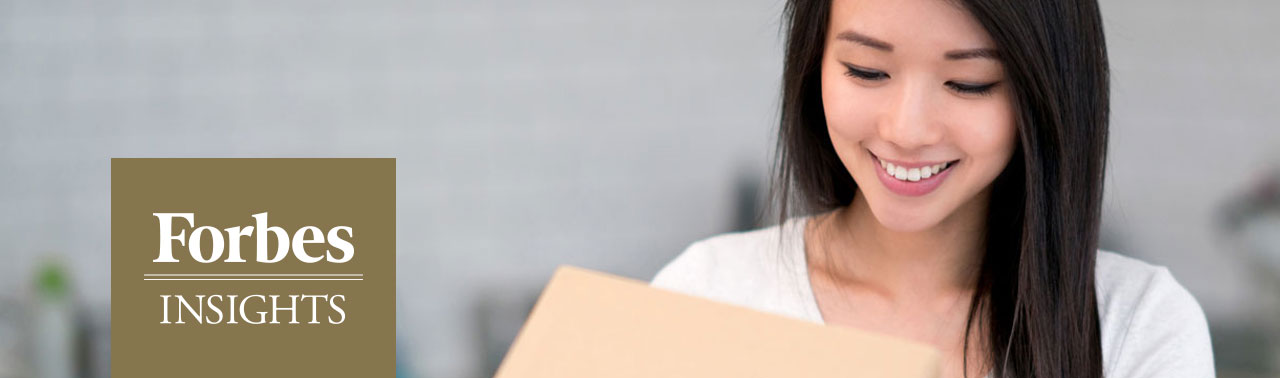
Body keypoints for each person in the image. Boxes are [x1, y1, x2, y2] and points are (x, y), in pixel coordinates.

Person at [650, 0, 1215, 377]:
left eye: (969, 83)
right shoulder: (703, 295)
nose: (906, 131)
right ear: (814, 62)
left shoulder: (1138, 325)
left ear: (1045, 96)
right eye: (867, 71)